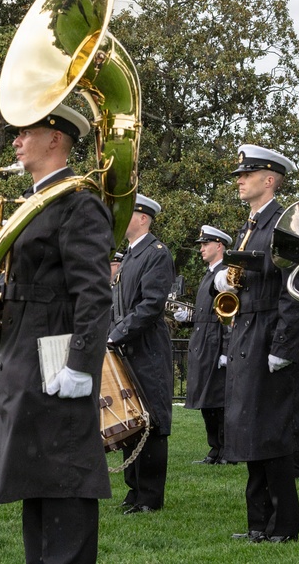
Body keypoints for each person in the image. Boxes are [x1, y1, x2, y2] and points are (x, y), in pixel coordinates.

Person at [0, 104, 112, 564]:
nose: (15, 141)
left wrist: (80, 365)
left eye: (24, 132)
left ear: (55, 138)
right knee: (36, 478)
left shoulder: (78, 202)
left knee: (64, 479)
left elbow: (94, 295)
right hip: (24, 356)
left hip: (55, 358)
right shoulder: (35, 203)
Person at [215, 145, 299, 544]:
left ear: (269, 180)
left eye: (246, 174)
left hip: (271, 330)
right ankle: (258, 522)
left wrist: (283, 346)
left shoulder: (285, 223)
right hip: (248, 329)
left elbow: (294, 288)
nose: (239, 180)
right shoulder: (251, 224)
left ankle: (284, 525)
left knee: (271, 433)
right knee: (252, 431)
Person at [109, 194, 176, 515]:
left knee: (151, 421)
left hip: (146, 348)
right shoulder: (133, 256)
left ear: (144, 218)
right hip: (127, 348)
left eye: (127, 214)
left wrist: (116, 334)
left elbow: (150, 305)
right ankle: (134, 491)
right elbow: (118, 306)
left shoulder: (156, 254)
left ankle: (150, 496)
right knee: (132, 421)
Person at [177, 225, 233, 465]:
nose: (201, 248)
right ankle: (215, 449)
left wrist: (226, 351)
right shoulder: (210, 273)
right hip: (203, 344)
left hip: (216, 345)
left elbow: (229, 315)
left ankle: (226, 452)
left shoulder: (225, 274)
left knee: (219, 403)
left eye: (205, 244)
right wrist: (188, 318)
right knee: (207, 403)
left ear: (219, 245)